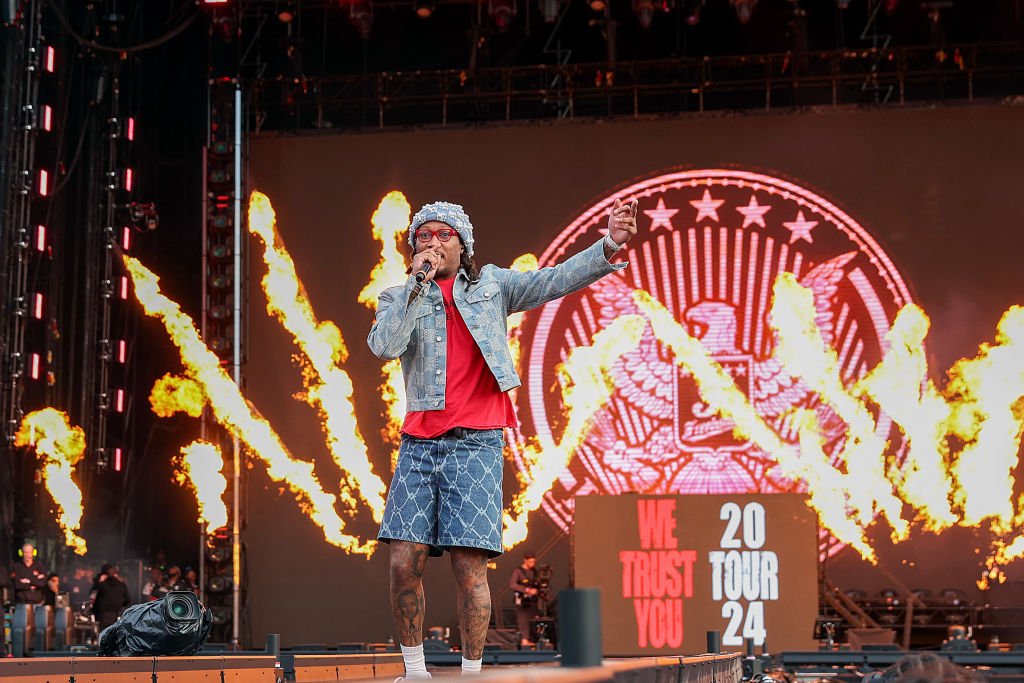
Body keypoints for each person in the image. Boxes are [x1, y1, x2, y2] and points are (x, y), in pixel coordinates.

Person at [369, 198, 637, 678]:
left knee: (469, 566)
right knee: (402, 562)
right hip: (419, 442)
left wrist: (609, 244)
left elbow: (554, 279)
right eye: (423, 236)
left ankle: (472, 675)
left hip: (477, 442)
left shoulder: (492, 286)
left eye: (443, 235)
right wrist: (414, 287)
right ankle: (414, 671)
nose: (432, 243)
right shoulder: (398, 296)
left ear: (463, 245)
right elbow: (385, 346)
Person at [508, 552, 540, 647]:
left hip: (532, 601)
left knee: (532, 619)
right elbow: (512, 584)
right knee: (523, 620)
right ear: (525, 560)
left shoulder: (534, 571)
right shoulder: (518, 571)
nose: (532, 564)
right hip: (521, 600)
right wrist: (527, 590)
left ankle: (530, 639)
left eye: (534, 562)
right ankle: (524, 640)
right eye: (530, 562)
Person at [93, 563, 131, 631]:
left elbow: (93, 594)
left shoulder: (101, 584)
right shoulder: (121, 585)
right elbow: (128, 599)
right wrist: (120, 605)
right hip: (116, 613)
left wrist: (100, 581)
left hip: (103, 614)